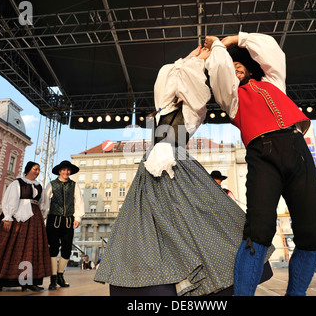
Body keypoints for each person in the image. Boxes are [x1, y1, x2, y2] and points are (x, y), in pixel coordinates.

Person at [94, 45, 273, 296]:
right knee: (152, 226)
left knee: (198, 219)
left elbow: (196, 89)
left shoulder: (193, 110)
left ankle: (196, 277)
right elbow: (166, 74)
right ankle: (166, 281)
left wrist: (197, 62)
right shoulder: (163, 106)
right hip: (152, 165)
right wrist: (189, 58)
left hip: (177, 163)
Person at [204, 32, 316, 296]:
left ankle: (296, 294)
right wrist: (217, 46)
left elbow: (272, 52)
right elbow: (219, 70)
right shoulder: (231, 98)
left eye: (239, 67)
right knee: (258, 230)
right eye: (231, 68)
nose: (234, 70)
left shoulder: (274, 83)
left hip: (298, 149)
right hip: (262, 154)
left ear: (250, 70)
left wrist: (236, 39)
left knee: (313, 233)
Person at [0, 162, 51, 291]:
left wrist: (41, 218)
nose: (37, 171)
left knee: (30, 250)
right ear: (28, 170)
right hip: (17, 217)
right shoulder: (17, 183)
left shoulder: (38, 186)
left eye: (39, 170)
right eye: (35, 169)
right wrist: (8, 217)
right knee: (7, 248)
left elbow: (43, 204)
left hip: (34, 219)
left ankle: (28, 282)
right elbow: (10, 199)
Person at [42, 160, 84, 290]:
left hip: (68, 221)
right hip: (53, 220)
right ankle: (53, 278)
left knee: (66, 249)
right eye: (64, 170)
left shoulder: (74, 185)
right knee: (53, 248)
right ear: (59, 171)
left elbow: (79, 202)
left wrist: (77, 218)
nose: (66, 172)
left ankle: (60, 275)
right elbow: (44, 202)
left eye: (68, 170)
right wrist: (43, 217)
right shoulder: (51, 184)